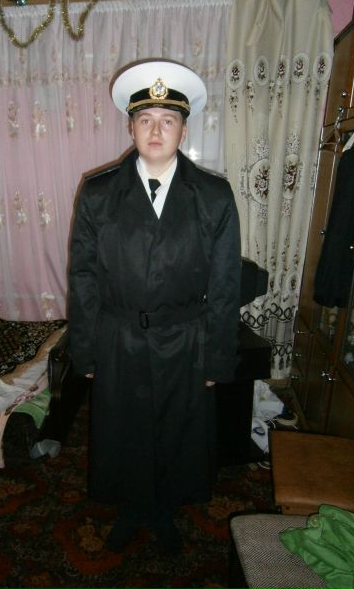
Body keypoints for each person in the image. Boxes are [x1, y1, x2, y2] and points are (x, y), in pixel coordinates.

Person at [68, 59, 241, 554]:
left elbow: (225, 284)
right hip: (117, 336)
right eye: (145, 119)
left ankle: (164, 510)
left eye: (168, 120)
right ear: (130, 127)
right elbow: (83, 276)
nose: (156, 130)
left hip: (186, 338)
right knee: (123, 428)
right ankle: (130, 508)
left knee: (177, 429)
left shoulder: (213, 195)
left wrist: (217, 357)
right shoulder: (99, 192)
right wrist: (86, 350)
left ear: (184, 129)